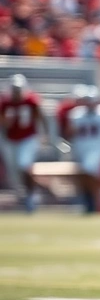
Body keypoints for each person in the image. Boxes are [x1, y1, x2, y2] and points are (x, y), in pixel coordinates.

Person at [0, 74, 47, 211]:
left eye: (18, 89)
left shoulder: (31, 100)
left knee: (24, 164)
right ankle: (24, 194)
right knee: (13, 171)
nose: (16, 92)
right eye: (14, 89)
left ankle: (32, 194)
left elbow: (40, 116)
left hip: (28, 138)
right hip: (10, 140)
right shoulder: (5, 103)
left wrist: (45, 135)